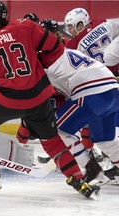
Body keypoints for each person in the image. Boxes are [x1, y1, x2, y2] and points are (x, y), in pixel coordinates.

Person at [0, 0, 100, 199]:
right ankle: (78, 179)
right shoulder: (25, 26)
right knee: (52, 141)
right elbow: (56, 48)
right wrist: (40, 63)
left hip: (7, 101)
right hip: (39, 99)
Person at [41, 46, 119, 186]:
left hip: (91, 92)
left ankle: (91, 167)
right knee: (105, 140)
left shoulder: (45, 65)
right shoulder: (69, 50)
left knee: (58, 129)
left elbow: (49, 96)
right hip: (113, 89)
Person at [64, 8, 119, 181]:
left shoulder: (73, 45)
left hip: (101, 86)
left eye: (72, 27)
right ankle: (102, 157)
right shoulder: (103, 22)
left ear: (80, 23)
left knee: (93, 126)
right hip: (114, 78)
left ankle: (94, 157)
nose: (72, 31)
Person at [64, 7, 119, 76]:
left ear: (80, 25)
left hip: (99, 76)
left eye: (70, 27)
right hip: (114, 67)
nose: (69, 30)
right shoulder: (102, 22)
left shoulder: (73, 44)